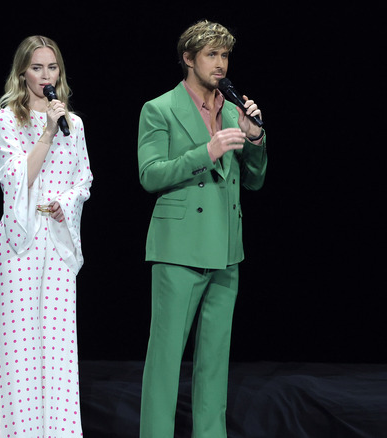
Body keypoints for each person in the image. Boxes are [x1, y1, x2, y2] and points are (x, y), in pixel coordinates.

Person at [136, 19, 267, 438]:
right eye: (211, 54)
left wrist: (257, 139)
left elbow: (254, 180)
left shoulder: (232, 109)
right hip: (179, 251)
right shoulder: (159, 109)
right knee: (166, 360)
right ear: (188, 58)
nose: (221, 63)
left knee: (215, 361)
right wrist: (206, 151)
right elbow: (150, 174)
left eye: (225, 55)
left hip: (227, 250)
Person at [0, 35, 93, 437]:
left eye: (52, 67)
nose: (45, 75)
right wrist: (47, 133)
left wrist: (64, 202)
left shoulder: (74, 122)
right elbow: (15, 179)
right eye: (37, 68)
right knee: (19, 352)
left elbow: (84, 179)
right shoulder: (7, 120)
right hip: (19, 246)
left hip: (56, 244)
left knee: (54, 351)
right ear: (22, 72)